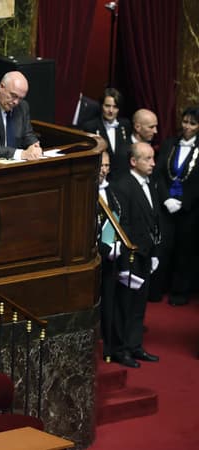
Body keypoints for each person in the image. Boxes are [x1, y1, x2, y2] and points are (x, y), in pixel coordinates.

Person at [109, 142, 161, 367]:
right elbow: (124, 225)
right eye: (147, 159)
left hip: (147, 254)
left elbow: (154, 219)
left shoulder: (150, 184)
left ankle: (135, 345)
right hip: (131, 255)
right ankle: (121, 350)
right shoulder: (122, 186)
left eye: (152, 158)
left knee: (139, 304)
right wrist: (132, 253)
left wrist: (155, 251)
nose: (153, 163)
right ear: (133, 161)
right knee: (125, 304)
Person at [154, 106, 199, 306]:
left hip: (190, 209)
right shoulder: (170, 143)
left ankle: (180, 291)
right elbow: (159, 175)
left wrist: (184, 202)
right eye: (185, 121)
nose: (187, 126)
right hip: (167, 207)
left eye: (192, 123)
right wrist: (166, 199)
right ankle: (158, 287)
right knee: (164, 247)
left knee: (185, 250)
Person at [97, 151, 125, 363]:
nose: (104, 170)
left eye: (107, 166)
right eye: (100, 166)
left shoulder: (112, 190)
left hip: (112, 257)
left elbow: (117, 218)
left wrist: (115, 245)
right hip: (95, 258)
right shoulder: (86, 191)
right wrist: (104, 249)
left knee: (110, 303)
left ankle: (112, 346)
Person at [81, 88, 133, 181]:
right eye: (107, 106)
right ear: (101, 106)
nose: (111, 110)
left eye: (115, 107)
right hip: (102, 179)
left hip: (123, 179)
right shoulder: (91, 127)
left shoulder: (125, 125)